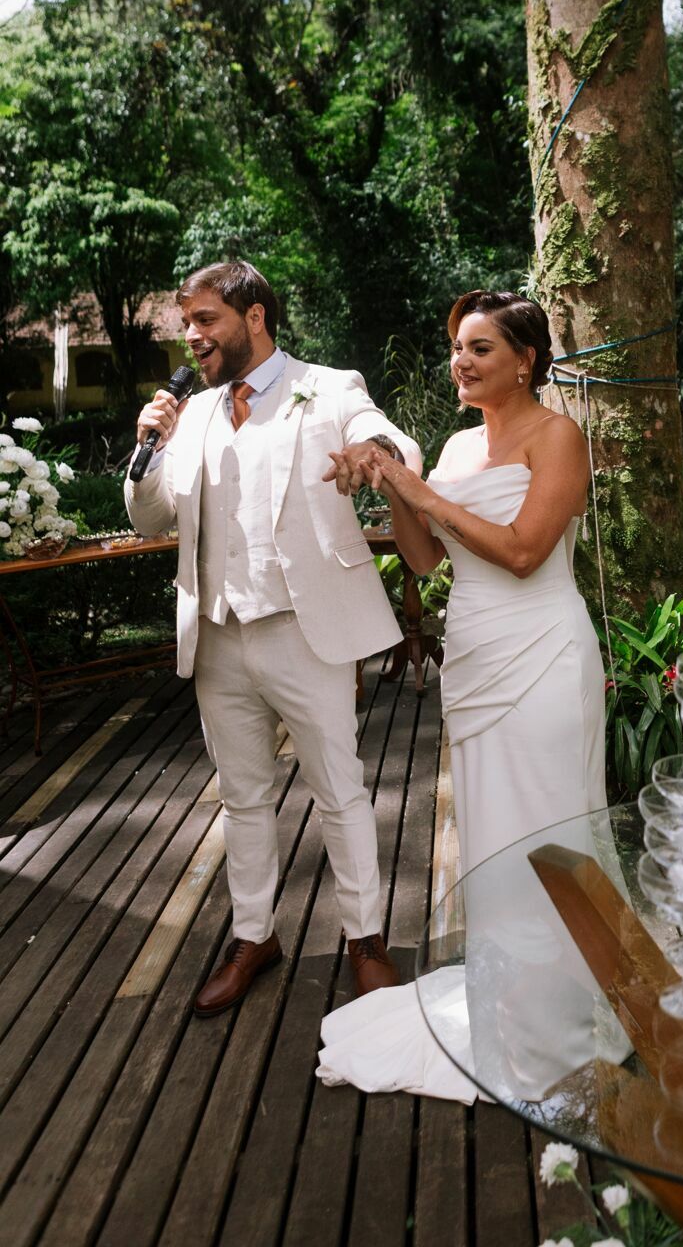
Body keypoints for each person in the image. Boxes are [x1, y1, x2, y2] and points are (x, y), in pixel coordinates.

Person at [317, 289, 625, 1101]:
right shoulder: (452, 450)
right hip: (479, 657)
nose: (460, 360)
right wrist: (391, 483)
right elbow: (424, 561)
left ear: (525, 360)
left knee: (554, 826)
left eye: (479, 348)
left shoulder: (558, 435)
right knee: (495, 835)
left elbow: (525, 552)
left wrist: (420, 494)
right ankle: (515, 1002)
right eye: (456, 346)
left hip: (545, 654)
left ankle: (573, 1012)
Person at [125, 260, 421, 1017]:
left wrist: (376, 455)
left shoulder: (328, 386)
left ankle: (366, 940)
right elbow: (150, 520)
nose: (192, 337)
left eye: (204, 320)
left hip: (304, 631)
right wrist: (148, 448)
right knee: (242, 798)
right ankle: (254, 937)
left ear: (253, 317)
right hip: (218, 639)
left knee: (341, 792)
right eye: (186, 323)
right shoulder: (189, 413)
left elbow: (386, 439)